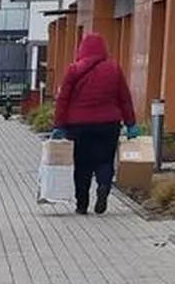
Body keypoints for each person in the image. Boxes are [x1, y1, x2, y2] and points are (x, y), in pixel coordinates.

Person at [50, 32, 137, 214]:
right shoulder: (114, 69)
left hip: (78, 126)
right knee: (105, 160)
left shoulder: (74, 70)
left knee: (82, 165)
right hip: (109, 124)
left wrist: (59, 125)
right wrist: (130, 123)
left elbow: (63, 99)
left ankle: (82, 205)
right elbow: (125, 99)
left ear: (82, 49)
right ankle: (104, 186)